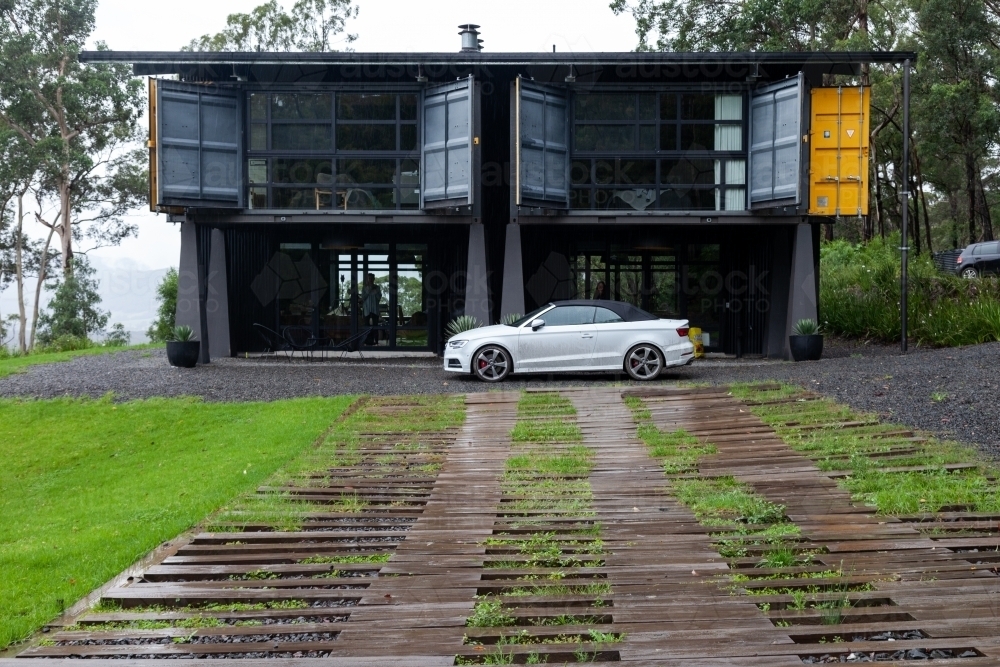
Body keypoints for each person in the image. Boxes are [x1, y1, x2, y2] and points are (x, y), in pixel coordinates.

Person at [360, 273, 382, 345]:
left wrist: (375, 292)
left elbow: (379, 298)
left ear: (374, 279)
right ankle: (367, 341)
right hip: (367, 310)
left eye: (372, 279)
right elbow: (363, 298)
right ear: (367, 279)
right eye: (369, 278)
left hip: (375, 309)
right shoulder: (364, 288)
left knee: (375, 325)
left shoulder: (377, 287)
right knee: (366, 325)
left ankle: (376, 340)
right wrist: (368, 291)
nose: (370, 280)